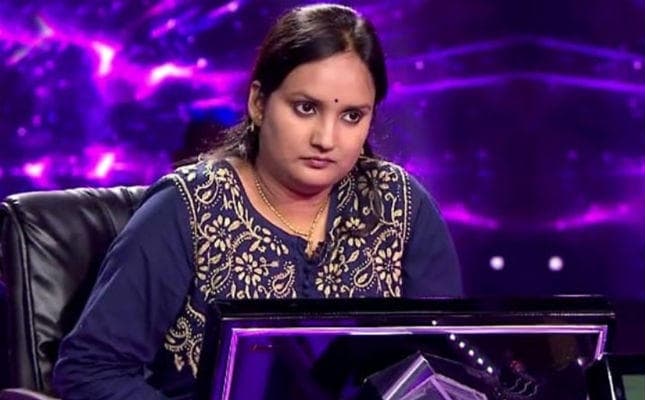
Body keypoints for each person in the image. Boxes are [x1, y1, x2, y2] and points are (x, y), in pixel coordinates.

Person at [52, 3, 462, 399]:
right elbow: (90, 369)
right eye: (306, 108)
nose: (326, 139)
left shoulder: (400, 205)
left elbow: (446, 368)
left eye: (352, 116)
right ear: (259, 104)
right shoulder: (186, 207)